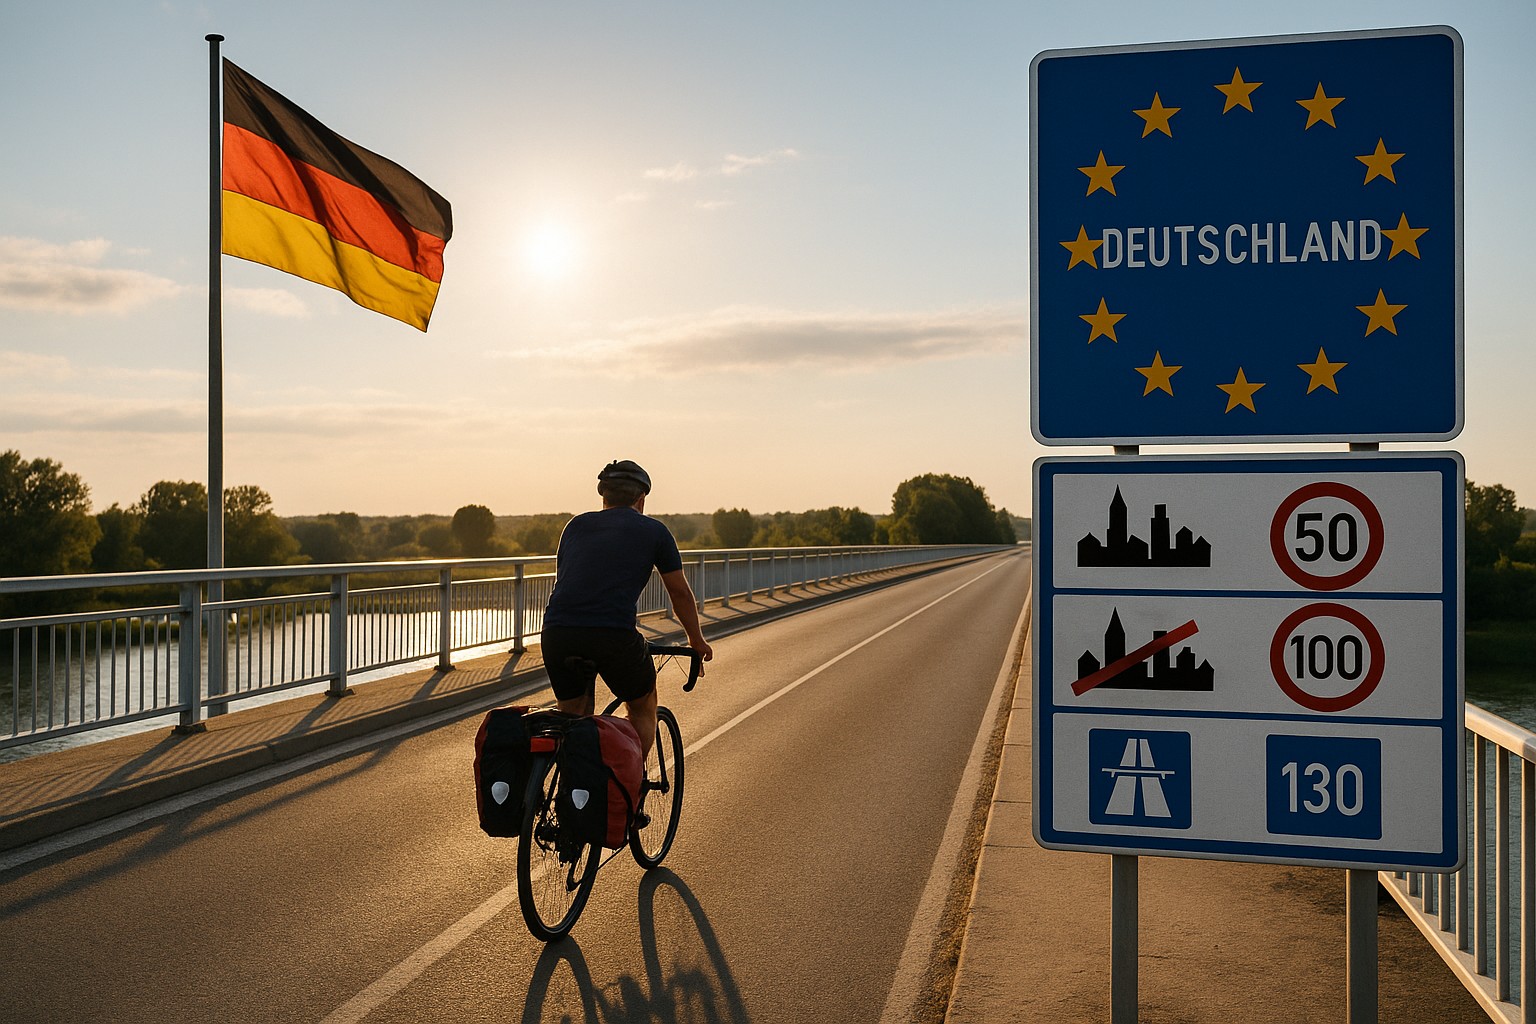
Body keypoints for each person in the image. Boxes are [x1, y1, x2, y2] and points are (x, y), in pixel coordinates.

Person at [539, 459, 713, 757]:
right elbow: (679, 593)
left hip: (558, 633)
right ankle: (631, 791)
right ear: (640, 498)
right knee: (643, 705)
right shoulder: (655, 532)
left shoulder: (575, 526)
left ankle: (569, 789)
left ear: (603, 496)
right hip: (612, 635)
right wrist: (695, 641)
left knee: (571, 714)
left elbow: (566, 581)